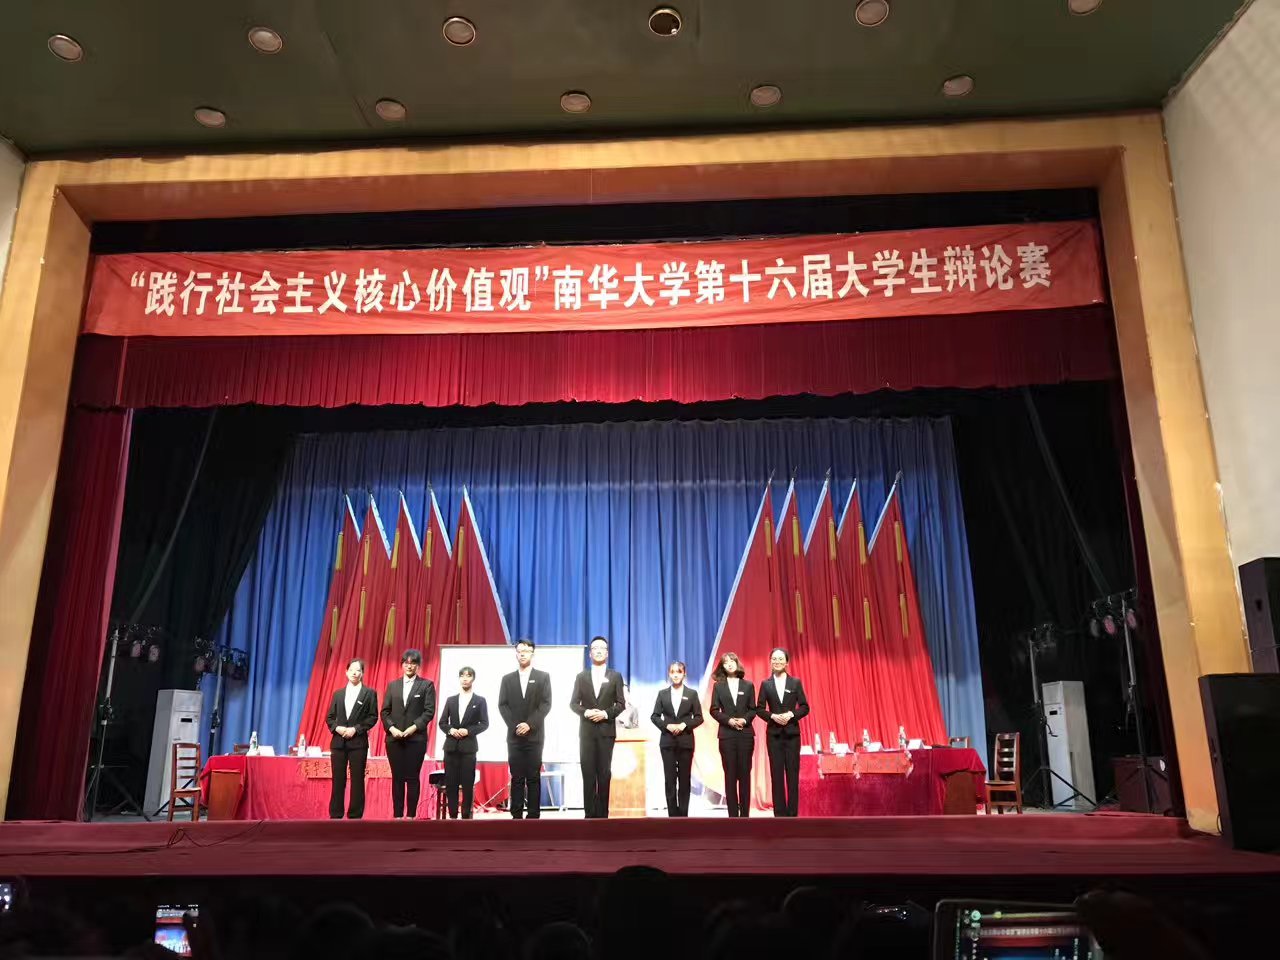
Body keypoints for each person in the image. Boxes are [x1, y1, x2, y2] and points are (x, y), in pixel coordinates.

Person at [569, 636, 627, 818]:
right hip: (587, 732)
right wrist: (586, 712)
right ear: (590, 653)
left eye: (602, 648)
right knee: (588, 773)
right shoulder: (581, 676)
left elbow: (621, 704)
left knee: (604, 773)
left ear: (607, 653)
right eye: (595, 648)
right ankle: (589, 814)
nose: (599, 651)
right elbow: (573, 704)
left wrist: (605, 714)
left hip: (606, 732)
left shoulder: (615, 676)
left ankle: (602, 815)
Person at [497, 639, 552, 819]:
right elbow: (502, 705)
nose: (522, 654)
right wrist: (515, 726)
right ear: (516, 653)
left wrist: (529, 724)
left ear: (532, 654)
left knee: (533, 776)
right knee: (517, 777)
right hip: (514, 737)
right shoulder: (507, 679)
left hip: (535, 736)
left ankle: (533, 815)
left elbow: (545, 704)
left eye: (526, 651)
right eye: (519, 650)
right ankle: (516, 815)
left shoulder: (543, 677)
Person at [380, 648, 435, 819]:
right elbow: (385, 712)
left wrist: (413, 728)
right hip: (394, 739)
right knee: (397, 778)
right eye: (406, 663)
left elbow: (429, 712)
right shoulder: (393, 685)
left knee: (412, 777)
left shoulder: (426, 685)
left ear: (418, 666)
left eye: (413, 663)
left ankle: (410, 816)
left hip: (416, 739)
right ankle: (397, 815)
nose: (409, 666)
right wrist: (392, 729)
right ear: (402, 664)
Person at [757, 647, 809, 817]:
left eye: (781, 659)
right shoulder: (766, 684)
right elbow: (759, 709)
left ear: (787, 662)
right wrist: (772, 716)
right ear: (770, 661)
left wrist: (791, 714)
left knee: (792, 775)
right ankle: (779, 815)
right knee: (776, 775)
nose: (777, 661)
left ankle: (792, 815)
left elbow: (804, 707)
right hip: (774, 736)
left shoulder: (795, 683)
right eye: (774, 659)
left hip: (792, 735)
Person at [325, 658, 378, 819]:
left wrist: (356, 729)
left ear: (363, 673)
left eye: (358, 670)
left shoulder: (369, 693)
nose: (355, 673)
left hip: (358, 743)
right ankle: (336, 814)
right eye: (352, 670)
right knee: (338, 779)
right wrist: (338, 728)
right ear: (346, 672)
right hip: (338, 743)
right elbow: (330, 718)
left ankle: (355, 815)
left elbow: (373, 717)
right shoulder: (338, 694)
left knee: (357, 780)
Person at [650, 660, 704, 816]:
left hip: (685, 741)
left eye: (679, 672)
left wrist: (684, 725)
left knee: (684, 779)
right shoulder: (662, 694)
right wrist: (667, 726)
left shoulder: (691, 694)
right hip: (667, 742)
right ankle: (672, 816)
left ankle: (683, 816)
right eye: (672, 672)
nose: (675, 675)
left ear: (684, 674)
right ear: (669, 674)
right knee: (670, 779)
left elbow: (699, 717)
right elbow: (654, 716)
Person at [437, 665, 489, 819]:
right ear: (459, 678)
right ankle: (453, 815)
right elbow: (442, 722)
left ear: (473, 678)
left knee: (467, 783)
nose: (465, 679)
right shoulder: (451, 700)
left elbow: (484, 723)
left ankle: (466, 816)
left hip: (468, 748)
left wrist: (468, 731)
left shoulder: (480, 700)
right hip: (451, 748)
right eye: (462, 676)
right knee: (451, 783)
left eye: (468, 675)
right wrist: (451, 730)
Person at [709, 651, 757, 817]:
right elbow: (714, 710)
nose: (729, 664)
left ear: (737, 663)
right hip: (727, 736)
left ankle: (745, 816)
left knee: (745, 775)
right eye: (725, 662)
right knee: (730, 775)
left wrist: (744, 720)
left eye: (732, 661)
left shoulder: (748, 685)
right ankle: (732, 816)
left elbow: (753, 709)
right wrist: (729, 720)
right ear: (722, 666)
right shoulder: (718, 686)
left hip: (745, 735)